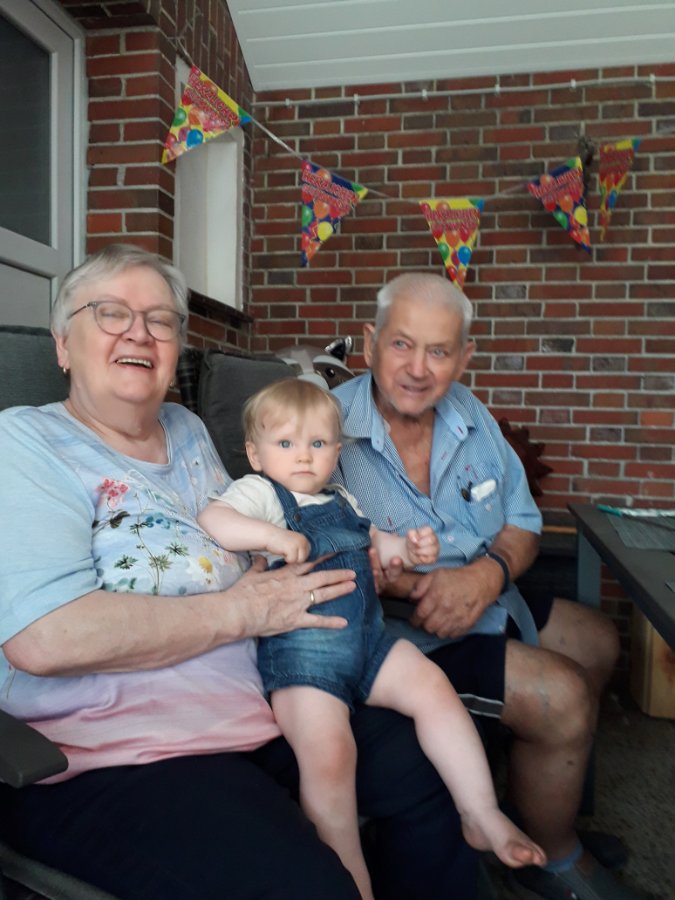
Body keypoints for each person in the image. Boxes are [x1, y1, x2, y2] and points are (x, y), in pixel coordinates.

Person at [0, 246, 481, 900]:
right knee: (310, 887)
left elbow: (253, 540)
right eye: (110, 313)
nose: (139, 333)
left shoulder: (185, 430)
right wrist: (243, 611)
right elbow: (45, 637)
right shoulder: (26, 443)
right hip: (123, 756)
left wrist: (344, 558)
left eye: (160, 320)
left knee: (428, 765)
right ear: (63, 344)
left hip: (257, 707)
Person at [332, 272, 648, 900]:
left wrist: (485, 575)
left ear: (463, 358)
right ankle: (552, 861)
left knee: (597, 640)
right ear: (369, 343)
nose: (418, 369)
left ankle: (535, 811)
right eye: (401, 344)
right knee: (560, 695)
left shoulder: (472, 416)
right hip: (398, 638)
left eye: (439, 351)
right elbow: (312, 549)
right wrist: (415, 588)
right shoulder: (327, 427)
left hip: (484, 595)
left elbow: (523, 523)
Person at [198, 378, 546, 899]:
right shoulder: (261, 494)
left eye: (318, 443)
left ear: (337, 452)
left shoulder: (340, 496)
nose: (303, 456)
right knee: (331, 756)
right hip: (305, 659)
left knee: (434, 689)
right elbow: (215, 520)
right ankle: (351, 882)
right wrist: (271, 536)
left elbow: (377, 544)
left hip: (368, 641)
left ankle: (480, 812)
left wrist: (409, 548)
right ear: (255, 453)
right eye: (285, 443)